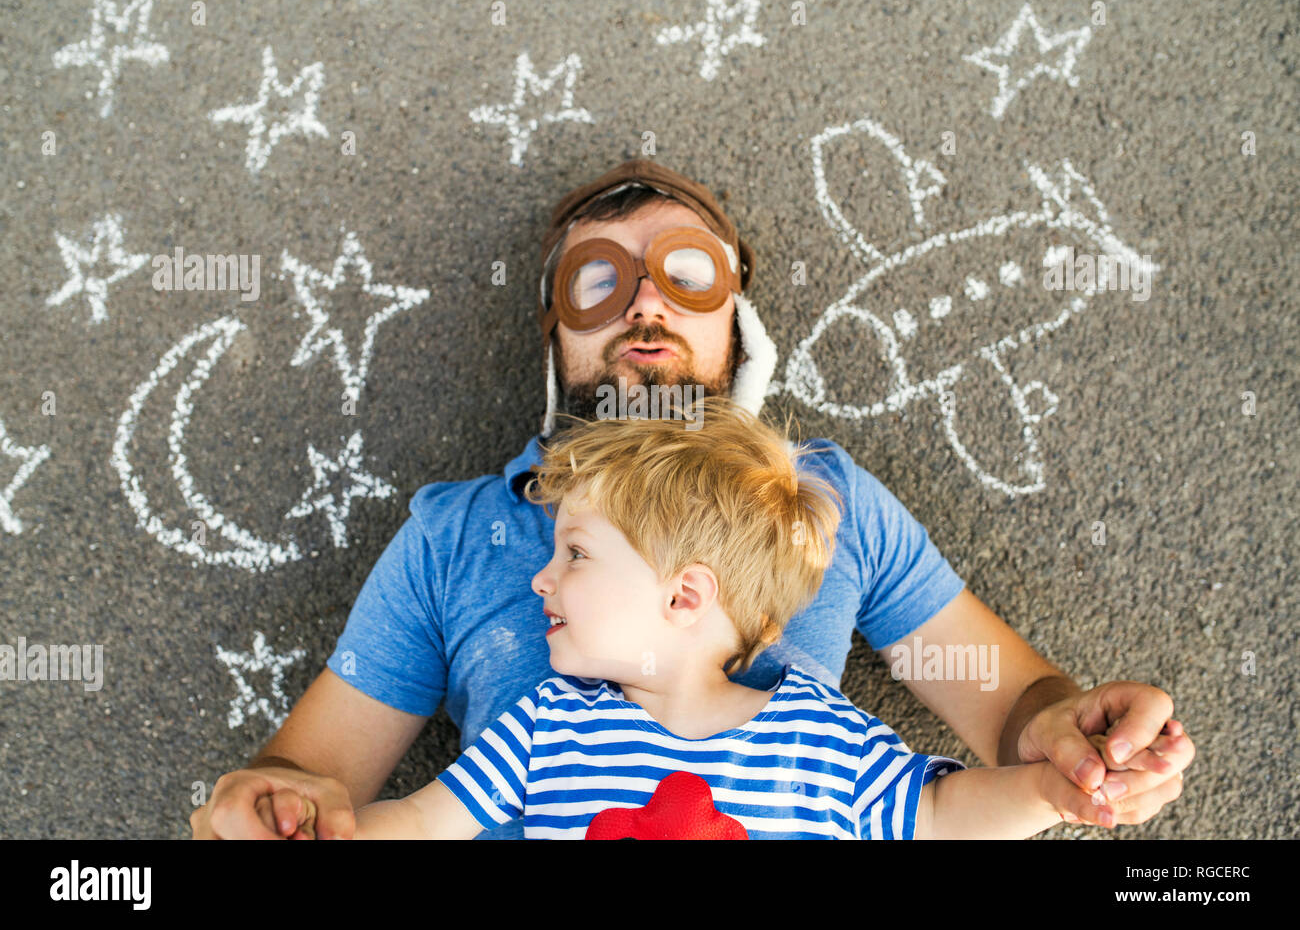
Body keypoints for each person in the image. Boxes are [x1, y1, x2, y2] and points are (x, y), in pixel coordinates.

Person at [192, 159, 1192, 841]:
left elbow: (1008, 714)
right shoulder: (455, 534)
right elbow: (317, 783)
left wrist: (1077, 740)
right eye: (598, 279)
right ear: (554, 332)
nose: (644, 301)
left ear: (737, 321)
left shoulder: (826, 501)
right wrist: (266, 803)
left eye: (686, 273)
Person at [332, 395, 1109, 839]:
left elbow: (937, 816)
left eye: (575, 553)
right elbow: (422, 822)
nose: (541, 578)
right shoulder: (546, 725)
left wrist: (1048, 793)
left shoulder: (821, 736)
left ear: (683, 597)